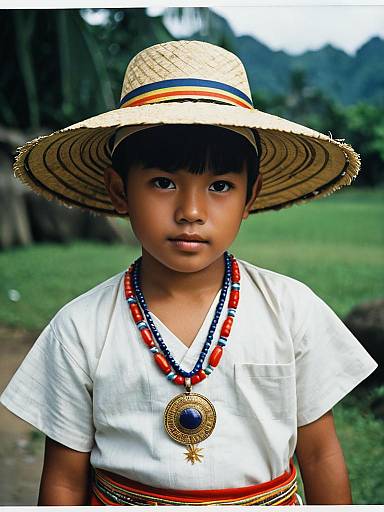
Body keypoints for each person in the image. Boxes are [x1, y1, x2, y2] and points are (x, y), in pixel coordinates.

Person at [0, 40, 377, 506]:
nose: (191, 211)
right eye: (163, 183)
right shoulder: (80, 328)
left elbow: (320, 457)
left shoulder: (291, 309)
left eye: (220, 186)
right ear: (120, 192)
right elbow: (61, 479)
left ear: (250, 196)